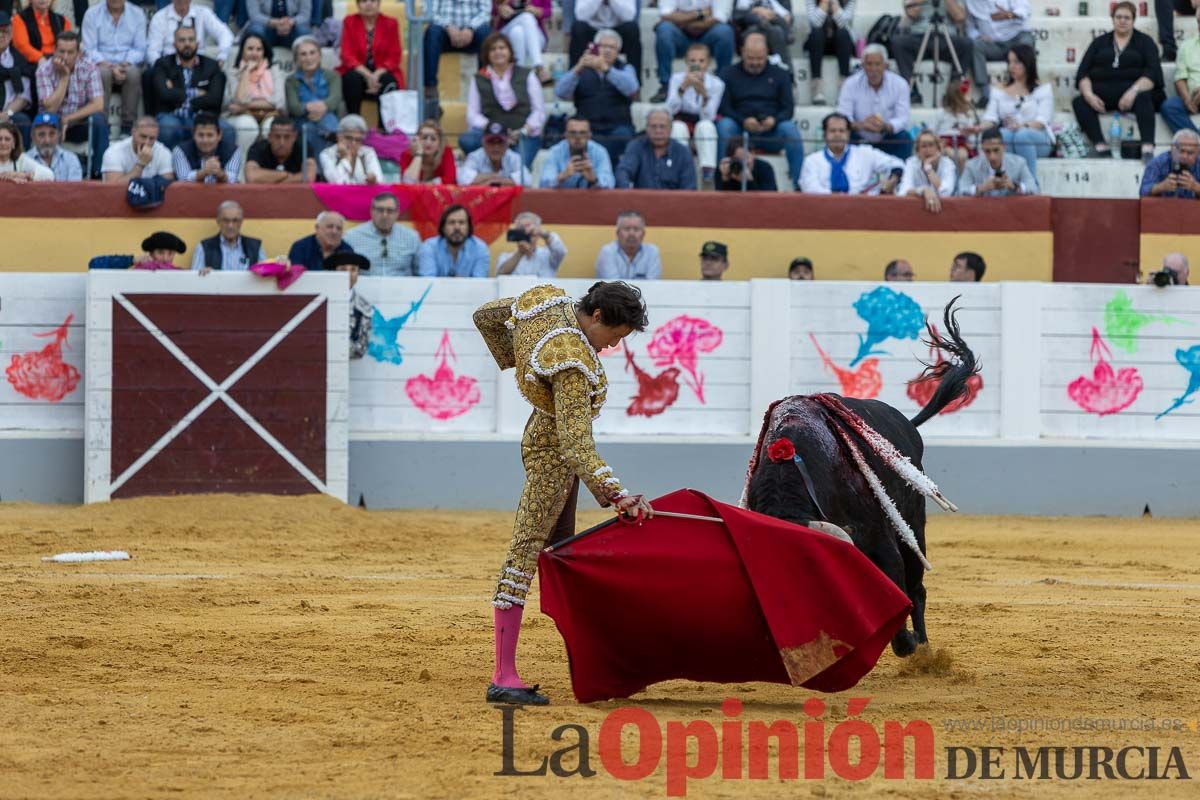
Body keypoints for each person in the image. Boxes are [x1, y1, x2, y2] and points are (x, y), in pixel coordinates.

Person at [473, 280, 653, 706]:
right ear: (595, 317)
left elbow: (485, 317)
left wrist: (524, 370)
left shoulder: (547, 302)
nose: (613, 346)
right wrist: (617, 494)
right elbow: (575, 446)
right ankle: (503, 675)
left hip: (541, 437)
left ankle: (594, 659)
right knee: (526, 553)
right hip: (552, 460)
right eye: (615, 335)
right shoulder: (572, 362)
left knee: (563, 554)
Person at [1072, 2, 1164, 161]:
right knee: (1080, 102)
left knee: (1144, 97)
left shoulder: (1145, 42)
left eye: (1127, 18)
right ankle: (1100, 146)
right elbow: (1083, 73)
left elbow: (1153, 74)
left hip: (1136, 94)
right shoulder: (1099, 42)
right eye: (1118, 17)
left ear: (1134, 20)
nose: (1122, 21)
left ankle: (1147, 147)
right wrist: (1089, 95)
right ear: (1113, 19)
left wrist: (1133, 91)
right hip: (1103, 97)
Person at [715, 32, 804, 189]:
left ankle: (800, 185)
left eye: (760, 58)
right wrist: (743, 121)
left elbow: (788, 109)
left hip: (771, 132)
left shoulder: (781, 74)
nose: (755, 62)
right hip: (739, 132)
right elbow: (724, 107)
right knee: (724, 125)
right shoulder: (728, 74)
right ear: (742, 52)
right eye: (750, 58)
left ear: (767, 54)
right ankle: (723, 178)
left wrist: (774, 120)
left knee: (790, 129)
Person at [554, 28, 637, 166]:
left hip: (617, 126)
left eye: (612, 47)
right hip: (587, 128)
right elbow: (560, 92)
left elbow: (632, 89)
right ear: (596, 47)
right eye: (604, 46)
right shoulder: (582, 69)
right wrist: (578, 69)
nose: (608, 50)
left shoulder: (625, 69)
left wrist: (607, 70)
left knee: (621, 136)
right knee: (579, 137)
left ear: (618, 52)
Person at [462, 32, 544, 167]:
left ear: (510, 51)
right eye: (493, 49)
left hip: (522, 134)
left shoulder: (527, 75)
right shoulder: (479, 78)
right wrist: (494, 130)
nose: (498, 52)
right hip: (491, 134)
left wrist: (523, 130)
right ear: (487, 54)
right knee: (467, 140)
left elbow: (539, 110)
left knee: (520, 168)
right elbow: (472, 114)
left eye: (502, 48)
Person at [35, 31, 106, 177]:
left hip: (77, 122)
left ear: (78, 53)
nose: (65, 57)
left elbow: (98, 104)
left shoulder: (90, 68)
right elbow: (50, 109)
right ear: (54, 51)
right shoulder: (44, 70)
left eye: (70, 52)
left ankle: (99, 173)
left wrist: (69, 119)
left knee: (99, 120)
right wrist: (64, 77)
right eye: (61, 52)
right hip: (52, 124)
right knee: (45, 120)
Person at [147, 25, 229, 149]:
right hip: (171, 113)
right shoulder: (163, 64)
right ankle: (169, 167)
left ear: (197, 43)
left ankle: (220, 167)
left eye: (191, 40)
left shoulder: (212, 66)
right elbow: (163, 94)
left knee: (228, 130)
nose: (187, 44)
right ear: (174, 44)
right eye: (182, 40)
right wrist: (197, 93)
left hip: (202, 115)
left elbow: (215, 98)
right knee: (169, 128)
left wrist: (175, 92)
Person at [981, 44, 1053, 177]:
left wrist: (1022, 126)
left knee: (1022, 135)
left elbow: (1043, 121)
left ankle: (1030, 183)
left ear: (1027, 63)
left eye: (1016, 62)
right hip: (1010, 134)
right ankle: (1003, 181)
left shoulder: (1043, 89)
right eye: (1009, 62)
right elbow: (990, 118)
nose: (1011, 67)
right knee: (1002, 136)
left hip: (1038, 138)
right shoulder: (999, 90)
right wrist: (977, 128)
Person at [80, 0, 146, 136]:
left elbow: (140, 49)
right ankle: (103, 124)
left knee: (133, 73)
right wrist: (109, 66)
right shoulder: (92, 14)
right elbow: (89, 49)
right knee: (101, 73)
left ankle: (127, 127)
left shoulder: (137, 14)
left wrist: (124, 64)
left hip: (127, 64)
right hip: (101, 64)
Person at [891, 0, 975, 106]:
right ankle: (912, 91)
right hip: (919, 36)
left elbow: (960, 17)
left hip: (946, 37)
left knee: (966, 44)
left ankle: (953, 93)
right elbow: (911, 12)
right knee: (899, 42)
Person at [837, 44, 913, 159]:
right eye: (869, 64)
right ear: (862, 65)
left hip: (887, 136)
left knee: (904, 137)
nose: (873, 69)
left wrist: (885, 126)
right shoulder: (850, 84)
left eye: (878, 64)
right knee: (840, 135)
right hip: (859, 137)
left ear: (885, 66)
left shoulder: (900, 84)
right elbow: (843, 115)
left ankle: (898, 174)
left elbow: (903, 118)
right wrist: (861, 125)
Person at [799, 111, 903, 194]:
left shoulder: (865, 153)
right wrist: (843, 199)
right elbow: (811, 190)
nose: (837, 135)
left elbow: (898, 164)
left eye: (841, 131)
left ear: (848, 134)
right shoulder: (812, 161)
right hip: (823, 211)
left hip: (862, 210)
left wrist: (893, 179)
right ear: (825, 134)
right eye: (833, 131)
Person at [651, 0, 735, 102]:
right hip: (680, 36)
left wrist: (681, 19)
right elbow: (665, 14)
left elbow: (719, 18)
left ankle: (722, 85)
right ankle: (665, 85)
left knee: (725, 32)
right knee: (664, 29)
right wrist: (700, 13)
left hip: (708, 35)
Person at [666, 42, 724, 183]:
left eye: (701, 61)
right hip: (682, 119)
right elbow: (669, 110)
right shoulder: (676, 79)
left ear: (708, 63)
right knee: (678, 127)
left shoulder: (717, 84)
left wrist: (704, 95)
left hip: (702, 121)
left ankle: (708, 171)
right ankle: (679, 170)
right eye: (692, 61)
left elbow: (709, 116)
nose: (696, 64)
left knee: (706, 127)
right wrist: (683, 88)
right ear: (686, 62)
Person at [422, 0, 491, 116]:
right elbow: (429, 12)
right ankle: (430, 89)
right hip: (444, 33)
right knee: (432, 32)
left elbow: (485, 13)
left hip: (473, 35)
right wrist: (448, 27)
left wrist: (470, 28)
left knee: (486, 34)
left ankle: (485, 85)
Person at [338, 0, 404, 116]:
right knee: (352, 78)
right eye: (363, 1)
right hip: (358, 73)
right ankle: (354, 122)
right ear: (358, 4)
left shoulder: (390, 23)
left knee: (388, 80)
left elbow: (394, 56)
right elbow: (347, 55)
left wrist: (376, 75)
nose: (368, 4)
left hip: (381, 72)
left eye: (373, 1)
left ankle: (383, 128)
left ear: (379, 3)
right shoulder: (349, 21)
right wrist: (368, 75)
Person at [964, 0, 1035, 109]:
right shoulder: (971, 2)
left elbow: (1024, 9)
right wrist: (978, 36)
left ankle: (1026, 88)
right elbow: (970, 27)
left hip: (1015, 39)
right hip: (993, 45)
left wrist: (1009, 14)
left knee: (1026, 41)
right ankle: (986, 94)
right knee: (974, 45)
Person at [224, 32, 285, 155]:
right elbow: (239, 100)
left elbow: (278, 102)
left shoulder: (274, 71)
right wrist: (246, 72)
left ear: (264, 52)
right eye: (250, 49)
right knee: (247, 126)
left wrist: (245, 106)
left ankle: (267, 168)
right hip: (239, 117)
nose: (254, 53)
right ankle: (241, 167)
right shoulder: (232, 72)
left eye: (259, 49)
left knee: (271, 126)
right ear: (242, 51)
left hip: (268, 114)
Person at [615, 107, 697, 189]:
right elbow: (623, 171)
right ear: (646, 128)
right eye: (653, 126)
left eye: (662, 127)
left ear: (670, 129)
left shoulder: (683, 152)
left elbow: (689, 188)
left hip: (673, 201)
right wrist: (626, 192)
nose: (658, 131)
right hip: (642, 200)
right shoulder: (636, 146)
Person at [344, 191, 421, 275]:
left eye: (390, 211)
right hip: (365, 287)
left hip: (403, 287)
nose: (385, 215)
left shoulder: (411, 237)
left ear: (397, 213)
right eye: (380, 210)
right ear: (371, 211)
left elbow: (419, 273)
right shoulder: (352, 237)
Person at [287, 35, 341, 153]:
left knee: (326, 120)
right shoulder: (291, 80)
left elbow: (335, 99)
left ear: (320, 56)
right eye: (303, 54)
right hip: (302, 121)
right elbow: (294, 107)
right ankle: (332, 137)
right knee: (310, 129)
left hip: (327, 117)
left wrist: (321, 108)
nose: (308, 58)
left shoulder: (333, 76)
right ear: (297, 59)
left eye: (312, 53)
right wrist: (308, 107)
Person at [146, 0, 234, 65]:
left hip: (197, 65)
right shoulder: (159, 17)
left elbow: (225, 34)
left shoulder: (203, 13)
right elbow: (153, 51)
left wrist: (222, 57)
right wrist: (162, 70)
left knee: (218, 75)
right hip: (169, 65)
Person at [571, 0, 641, 82]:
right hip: (593, 34)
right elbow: (580, 16)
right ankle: (574, 80)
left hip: (618, 32)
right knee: (578, 27)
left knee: (632, 28)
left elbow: (629, 16)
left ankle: (635, 84)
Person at [538, 115, 615, 188]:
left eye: (582, 133)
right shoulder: (555, 152)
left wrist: (594, 179)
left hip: (592, 200)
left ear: (589, 135)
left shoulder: (600, 152)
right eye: (573, 133)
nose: (578, 137)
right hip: (562, 200)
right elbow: (543, 184)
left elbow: (610, 184)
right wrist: (562, 176)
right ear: (566, 135)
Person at [417, 204, 491, 278]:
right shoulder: (429, 247)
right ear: (443, 227)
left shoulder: (480, 249)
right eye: (452, 222)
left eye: (461, 223)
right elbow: (427, 282)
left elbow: (480, 284)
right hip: (436, 290)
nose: (457, 227)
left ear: (469, 227)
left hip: (470, 290)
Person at [324, 251, 374, 360]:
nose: (348, 274)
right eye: (343, 269)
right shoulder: (322, 300)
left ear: (358, 273)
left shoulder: (364, 308)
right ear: (334, 272)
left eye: (353, 270)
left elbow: (361, 349)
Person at [958, 127, 1037, 195]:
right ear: (982, 149)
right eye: (987, 151)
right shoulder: (971, 166)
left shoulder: (1019, 163)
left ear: (1004, 147)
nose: (992, 157)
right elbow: (960, 191)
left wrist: (1014, 186)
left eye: (996, 150)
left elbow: (1034, 188)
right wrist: (980, 188)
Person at [191, 200, 266, 273]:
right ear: (218, 221)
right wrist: (205, 276)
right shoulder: (203, 248)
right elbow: (194, 280)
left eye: (235, 220)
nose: (230, 226)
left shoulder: (255, 247)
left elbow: (265, 277)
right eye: (226, 220)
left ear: (241, 222)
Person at [804, 0, 854, 105]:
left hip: (840, 44)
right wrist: (824, 3)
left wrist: (835, 5)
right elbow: (815, 23)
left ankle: (844, 87)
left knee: (843, 34)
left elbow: (843, 24)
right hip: (817, 43)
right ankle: (817, 86)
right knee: (816, 33)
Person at [101, 114, 175, 182]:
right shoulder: (114, 152)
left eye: (152, 138)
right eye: (143, 136)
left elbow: (167, 187)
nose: (147, 142)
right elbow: (113, 189)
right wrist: (140, 165)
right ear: (133, 132)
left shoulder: (164, 153)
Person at [1161, 8, 1200, 134]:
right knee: (1169, 106)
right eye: (1199, 22)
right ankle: (1196, 141)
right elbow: (1180, 78)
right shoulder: (1187, 46)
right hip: (1193, 97)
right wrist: (1187, 100)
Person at [173, 110, 240, 183]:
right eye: (201, 135)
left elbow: (233, 180)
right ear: (193, 134)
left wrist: (220, 174)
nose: (205, 140)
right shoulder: (180, 150)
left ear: (219, 135)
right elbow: (183, 180)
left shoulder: (233, 150)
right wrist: (204, 172)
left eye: (210, 135)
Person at [898, 129, 957, 212]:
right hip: (915, 211)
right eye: (923, 146)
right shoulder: (911, 163)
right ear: (918, 151)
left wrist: (928, 168)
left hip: (944, 211)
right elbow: (903, 191)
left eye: (931, 145)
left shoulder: (947, 164)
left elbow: (945, 192)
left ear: (938, 148)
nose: (927, 149)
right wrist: (923, 190)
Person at [244, 115, 316, 182]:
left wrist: (271, 180)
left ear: (294, 137)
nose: (282, 142)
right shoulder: (258, 148)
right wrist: (284, 175)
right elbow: (251, 176)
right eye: (277, 137)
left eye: (287, 137)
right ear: (269, 137)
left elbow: (309, 176)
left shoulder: (303, 147)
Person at [493, 0, 552, 82]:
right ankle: (539, 66)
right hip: (507, 31)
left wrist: (537, 11)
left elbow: (548, 11)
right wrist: (501, 9)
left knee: (517, 31)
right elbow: (493, 13)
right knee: (527, 17)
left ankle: (519, 71)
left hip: (535, 35)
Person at [595, 209, 663, 279]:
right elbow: (613, 286)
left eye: (636, 229)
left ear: (643, 234)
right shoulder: (607, 252)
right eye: (627, 229)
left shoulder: (652, 252)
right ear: (617, 233)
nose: (631, 234)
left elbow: (653, 284)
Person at [495, 211, 567, 277]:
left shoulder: (548, 256)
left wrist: (542, 233)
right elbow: (500, 276)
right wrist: (520, 253)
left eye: (529, 227)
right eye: (521, 228)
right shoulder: (506, 257)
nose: (526, 231)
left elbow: (560, 250)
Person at [732, 0, 795, 75]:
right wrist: (755, 11)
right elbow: (736, 15)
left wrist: (772, 14)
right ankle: (788, 72)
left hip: (772, 25)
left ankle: (786, 71)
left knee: (776, 30)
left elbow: (787, 15)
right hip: (749, 29)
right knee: (776, 31)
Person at [936, 76, 984, 173]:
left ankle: (961, 180)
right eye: (967, 94)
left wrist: (971, 142)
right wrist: (937, 143)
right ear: (958, 97)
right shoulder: (942, 113)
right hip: (944, 142)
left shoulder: (969, 116)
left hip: (962, 143)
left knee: (962, 155)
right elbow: (933, 130)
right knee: (951, 154)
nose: (970, 98)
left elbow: (972, 137)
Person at [460, 121, 531, 185]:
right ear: (483, 142)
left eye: (500, 142)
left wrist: (489, 181)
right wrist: (505, 179)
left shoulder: (514, 158)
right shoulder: (474, 157)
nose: (496, 147)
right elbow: (463, 180)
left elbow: (527, 180)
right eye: (491, 142)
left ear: (508, 143)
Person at [0, 12, 33, 149]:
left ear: (12, 32)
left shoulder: (19, 60)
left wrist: (6, 114)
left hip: (9, 112)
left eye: (5, 31)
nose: (1, 35)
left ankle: (20, 162)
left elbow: (23, 97)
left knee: (23, 121)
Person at [319, 114, 382, 184]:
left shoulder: (368, 153)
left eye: (358, 139)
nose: (353, 143)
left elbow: (379, 180)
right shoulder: (327, 154)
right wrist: (345, 158)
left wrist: (373, 180)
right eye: (348, 138)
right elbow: (336, 182)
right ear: (338, 137)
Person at [288, 210, 355, 271]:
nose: (334, 232)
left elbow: (349, 279)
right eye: (330, 226)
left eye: (339, 228)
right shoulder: (300, 247)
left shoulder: (347, 250)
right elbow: (294, 277)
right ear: (317, 228)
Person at [1140, 129, 1200, 197]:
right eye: (1181, 151)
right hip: (1162, 206)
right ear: (1172, 148)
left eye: (1190, 153)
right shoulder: (1158, 163)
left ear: (1198, 153)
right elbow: (1143, 192)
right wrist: (1161, 187)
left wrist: (1195, 187)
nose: (1184, 156)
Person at [11, 0, 69, 67]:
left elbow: (68, 45)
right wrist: (41, 58)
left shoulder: (62, 20)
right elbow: (22, 46)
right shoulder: (19, 19)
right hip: (32, 65)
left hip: (59, 62)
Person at [400, 119, 458, 184]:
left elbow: (450, 179)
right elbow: (408, 183)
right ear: (417, 140)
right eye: (424, 138)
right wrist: (418, 153)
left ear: (440, 143)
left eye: (433, 139)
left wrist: (424, 185)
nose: (428, 143)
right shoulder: (406, 155)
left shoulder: (446, 152)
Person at [27, 112, 80, 180]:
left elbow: (75, 189)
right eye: (41, 134)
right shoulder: (25, 160)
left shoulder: (71, 160)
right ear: (33, 136)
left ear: (59, 135)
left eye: (52, 134)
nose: (47, 140)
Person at [245, 0, 310, 50]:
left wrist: (290, 22)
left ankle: (305, 63)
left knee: (303, 32)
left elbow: (305, 15)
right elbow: (254, 15)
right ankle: (256, 65)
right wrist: (276, 23)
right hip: (266, 27)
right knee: (256, 30)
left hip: (290, 28)